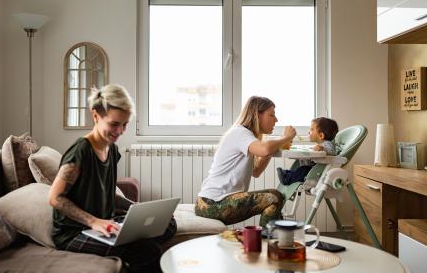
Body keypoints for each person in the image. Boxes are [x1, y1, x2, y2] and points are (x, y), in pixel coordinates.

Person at [49, 84, 176, 273]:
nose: (120, 131)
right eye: (114, 124)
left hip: (105, 221)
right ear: (95, 116)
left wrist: (135, 209)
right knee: (147, 251)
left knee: (169, 223)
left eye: (125, 124)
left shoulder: (112, 149)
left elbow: (106, 193)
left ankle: (130, 244)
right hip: (74, 233)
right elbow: (55, 197)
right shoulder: (80, 151)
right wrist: (94, 222)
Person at [194, 96, 296, 228]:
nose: (276, 120)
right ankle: (268, 241)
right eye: (271, 115)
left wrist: (275, 146)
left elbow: (256, 171)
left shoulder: (246, 136)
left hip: (214, 201)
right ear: (257, 115)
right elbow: (264, 149)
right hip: (212, 203)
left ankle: (274, 238)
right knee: (275, 197)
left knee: (275, 196)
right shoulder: (240, 133)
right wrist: (286, 137)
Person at [277, 117, 339, 186]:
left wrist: (323, 149)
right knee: (302, 169)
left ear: (321, 135)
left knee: (304, 170)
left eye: (312, 129)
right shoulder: (320, 145)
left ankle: (287, 179)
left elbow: (332, 152)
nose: (308, 132)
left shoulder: (328, 144)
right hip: (316, 170)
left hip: (319, 174)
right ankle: (288, 173)